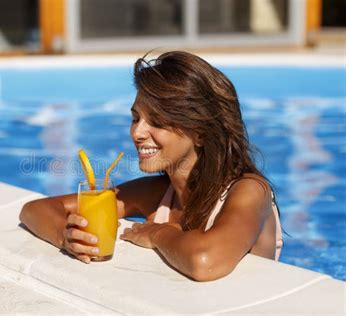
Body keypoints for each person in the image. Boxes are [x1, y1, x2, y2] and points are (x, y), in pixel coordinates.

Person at [19, 51, 283, 282]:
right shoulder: (157, 194)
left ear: (201, 132)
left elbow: (205, 261)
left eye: (156, 121)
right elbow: (35, 210)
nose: (137, 132)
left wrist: (158, 234)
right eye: (136, 118)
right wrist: (66, 237)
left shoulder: (249, 191)